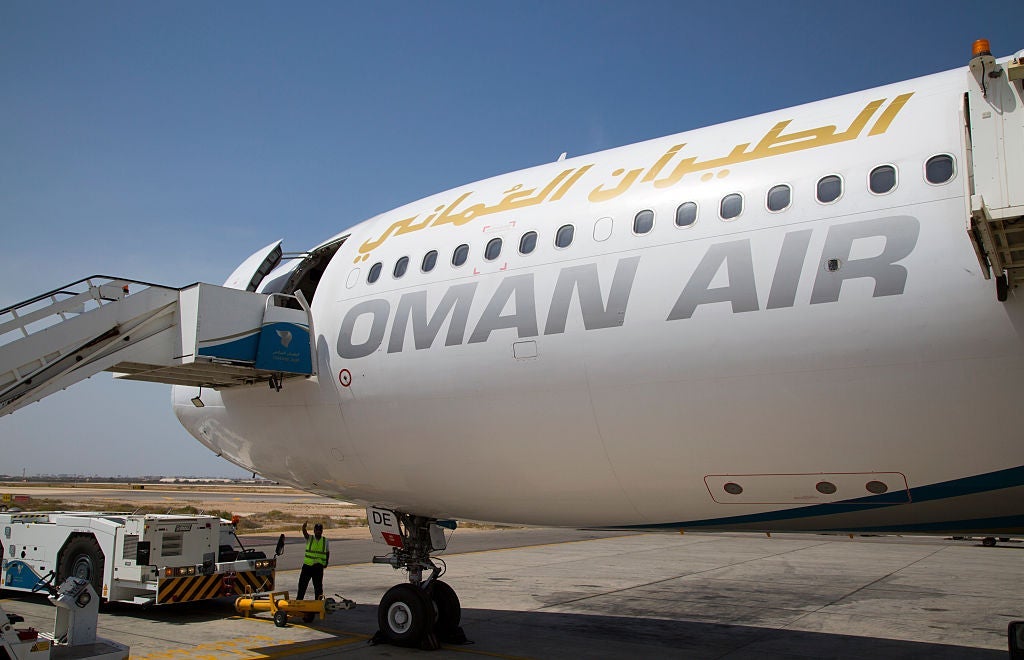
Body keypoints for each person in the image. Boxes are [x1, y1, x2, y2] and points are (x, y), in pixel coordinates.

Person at [297, 521, 329, 600]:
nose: (318, 531)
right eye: (316, 530)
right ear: (314, 531)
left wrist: (326, 563)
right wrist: (303, 528)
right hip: (307, 566)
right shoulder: (310, 538)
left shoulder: (325, 541)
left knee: (318, 587)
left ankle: (318, 604)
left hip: (318, 567)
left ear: (322, 531)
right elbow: (305, 533)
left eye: (320, 530)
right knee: (302, 586)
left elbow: (327, 552)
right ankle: (299, 602)